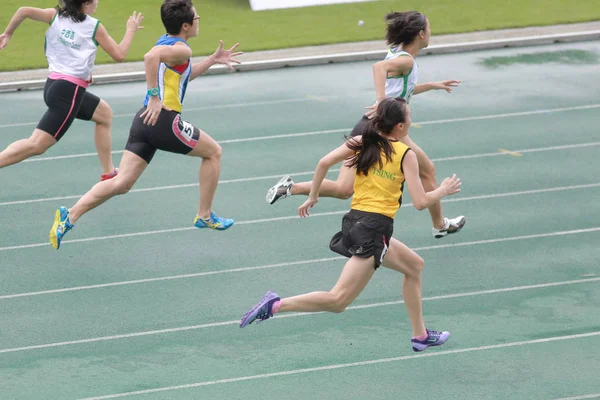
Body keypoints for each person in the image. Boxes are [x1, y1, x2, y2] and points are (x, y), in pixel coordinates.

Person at [241, 98, 462, 352]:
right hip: (374, 230)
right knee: (338, 301)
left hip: (356, 222)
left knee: (414, 266)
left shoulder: (362, 141)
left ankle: (420, 335)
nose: (412, 120)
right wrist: (443, 190)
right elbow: (422, 202)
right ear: (399, 126)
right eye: (409, 116)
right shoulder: (406, 154)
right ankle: (276, 305)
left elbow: (323, 162)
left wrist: (313, 195)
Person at [49, 0, 242, 249]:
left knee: (121, 183)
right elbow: (149, 57)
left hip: (143, 122)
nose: (198, 21)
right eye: (196, 19)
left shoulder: (167, 42)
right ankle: (204, 215)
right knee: (214, 153)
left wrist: (213, 60)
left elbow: (183, 76)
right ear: (185, 26)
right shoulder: (182, 50)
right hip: (163, 120)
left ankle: (70, 215)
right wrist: (154, 96)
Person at [266, 11, 465, 239]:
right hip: (387, 128)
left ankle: (290, 188)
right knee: (427, 170)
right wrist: (381, 102)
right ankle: (439, 225)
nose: (431, 33)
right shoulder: (407, 60)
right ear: (421, 34)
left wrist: (431, 85)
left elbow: (399, 89)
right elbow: (378, 68)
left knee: (343, 189)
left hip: (367, 125)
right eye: (429, 28)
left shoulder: (399, 55)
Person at [0, 0, 144, 180]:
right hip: (70, 92)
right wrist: (130, 30)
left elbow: (23, 11)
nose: (97, 2)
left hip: (53, 86)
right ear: (85, 4)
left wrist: (7, 33)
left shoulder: (54, 16)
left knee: (104, 114)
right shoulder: (94, 27)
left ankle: (108, 172)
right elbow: (119, 54)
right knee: (37, 144)